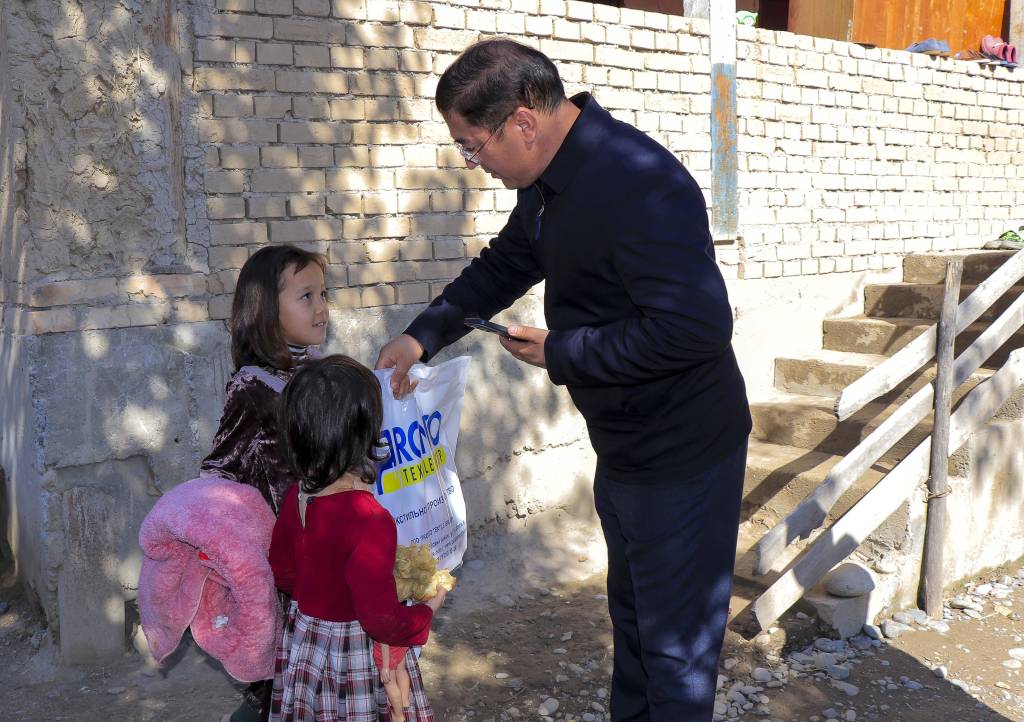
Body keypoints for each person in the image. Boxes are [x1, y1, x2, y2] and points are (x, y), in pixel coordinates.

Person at [375, 39, 751, 721]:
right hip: (625, 444)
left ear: (522, 122)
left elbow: (696, 328)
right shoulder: (550, 182)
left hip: (685, 453)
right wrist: (421, 335)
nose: (474, 163)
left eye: (473, 147)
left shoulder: (638, 183)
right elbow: (503, 266)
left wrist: (566, 352)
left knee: (677, 652)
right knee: (635, 628)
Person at [269, 355, 445, 722]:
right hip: (353, 658)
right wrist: (425, 611)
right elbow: (381, 620)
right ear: (365, 433)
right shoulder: (369, 519)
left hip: (308, 646)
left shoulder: (298, 494)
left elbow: (283, 571)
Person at [202, 244, 329, 722]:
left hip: (324, 546)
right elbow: (219, 471)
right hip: (283, 563)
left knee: (317, 667)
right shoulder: (252, 387)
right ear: (265, 311)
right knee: (278, 678)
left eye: (324, 294)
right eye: (306, 296)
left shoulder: (316, 371)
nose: (322, 308)